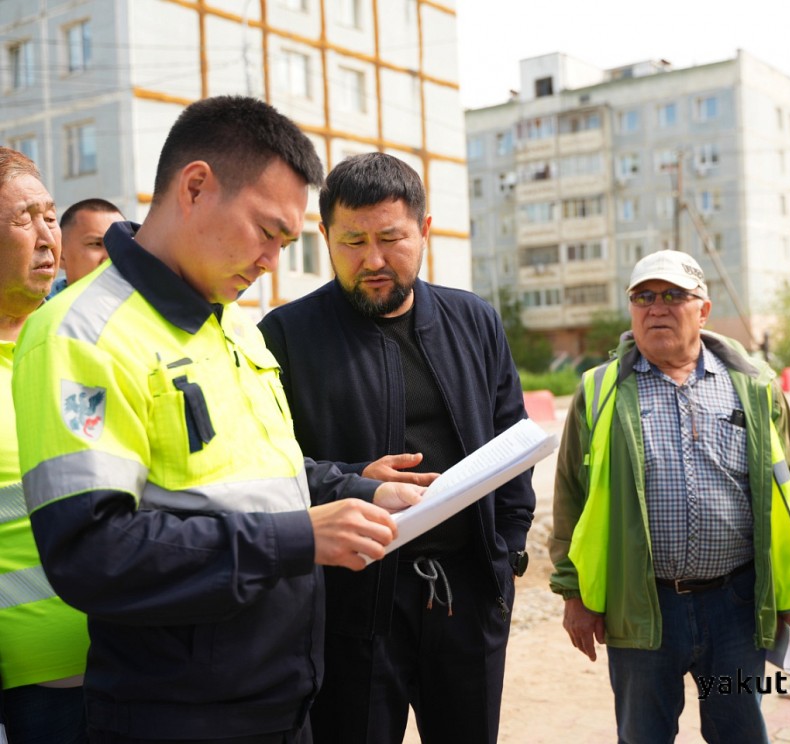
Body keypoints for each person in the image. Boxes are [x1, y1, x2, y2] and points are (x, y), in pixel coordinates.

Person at [12, 98, 423, 743]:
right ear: (196, 186)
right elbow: (92, 553)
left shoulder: (233, 324)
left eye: (286, 244)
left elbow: (267, 478)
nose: (270, 264)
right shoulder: (82, 334)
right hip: (178, 716)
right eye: (266, 232)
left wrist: (362, 493)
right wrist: (298, 539)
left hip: (284, 702)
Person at [259, 152, 535, 744]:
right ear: (325, 236)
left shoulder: (474, 320)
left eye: (391, 238)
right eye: (352, 241)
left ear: (425, 231)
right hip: (351, 609)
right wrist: (358, 477)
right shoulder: (285, 335)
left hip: (467, 600)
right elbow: (269, 465)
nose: (373, 260)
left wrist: (506, 556)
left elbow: (514, 442)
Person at [549, 249, 790, 743]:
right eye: (644, 296)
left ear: (703, 309)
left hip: (736, 605)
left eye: (674, 295)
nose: (657, 307)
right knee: (644, 735)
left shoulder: (754, 386)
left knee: (739, 733)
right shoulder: (599, 391)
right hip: (641, 605)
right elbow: (570, 495)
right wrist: (574, 593)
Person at [0, 147, 90, 743]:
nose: (45, 236)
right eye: (21, 218)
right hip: (23, 691)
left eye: (50, 215)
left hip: (111, 665)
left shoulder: (77, 343)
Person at [48, 198, 125, 296]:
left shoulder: (144, 304)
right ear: (61, 255)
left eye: (119, 244)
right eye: (96, 244)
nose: (110, 258)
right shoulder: (37, 310)